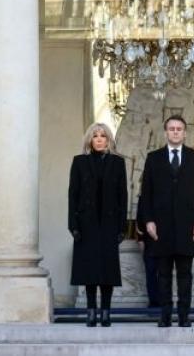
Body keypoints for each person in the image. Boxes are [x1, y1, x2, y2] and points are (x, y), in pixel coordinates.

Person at [138, 115, 194, 328]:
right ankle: (165, 315)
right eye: (172, 129)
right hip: (161, 227)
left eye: (179, 129)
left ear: (185, 133)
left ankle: (184, 316)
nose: (175, 132)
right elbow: (146, 193)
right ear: (166, 132)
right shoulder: (153, 158)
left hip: (188, 226)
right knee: (163, 275)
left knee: (185, 274)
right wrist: (148, 221)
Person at [68, 123, 127, 327]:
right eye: (95, 136)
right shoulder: (79, 162)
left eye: (103, 136)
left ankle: (106, 312)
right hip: (86, 225)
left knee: (108, 271)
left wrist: (122, 228)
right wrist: (73, 225)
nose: (99, 139)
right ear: (90, 140)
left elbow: (123, 197)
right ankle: (91, 310)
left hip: (110, 224)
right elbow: (72, 195)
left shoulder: (118, 163)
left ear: (109, 140)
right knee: (90, 270)